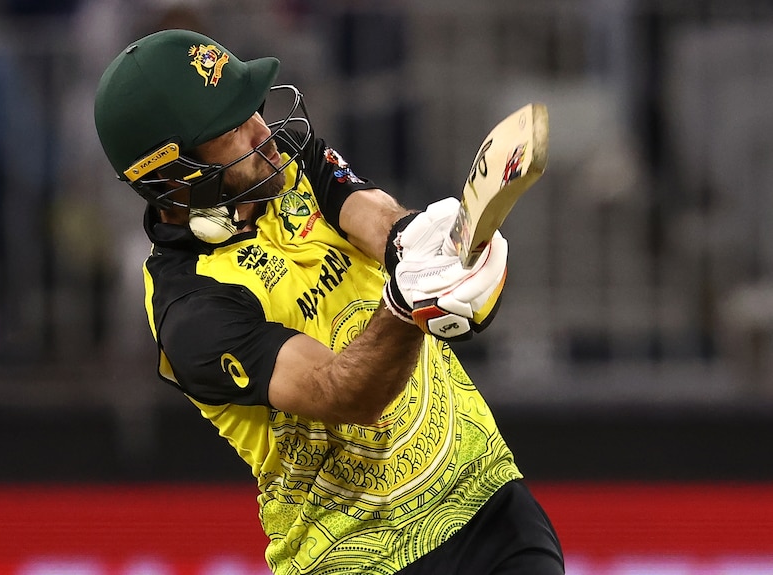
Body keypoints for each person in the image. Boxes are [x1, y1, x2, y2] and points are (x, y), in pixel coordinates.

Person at [94, 28, 564, 575]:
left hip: (485, 499)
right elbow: (343, 391)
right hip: (353, 554)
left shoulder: (284, 162)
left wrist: (433, 248)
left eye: (251, 109)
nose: (262, 132)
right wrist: (408, 305)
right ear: (174, 175)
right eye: (231, 128)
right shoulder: (191, 310)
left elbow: (376, 220)